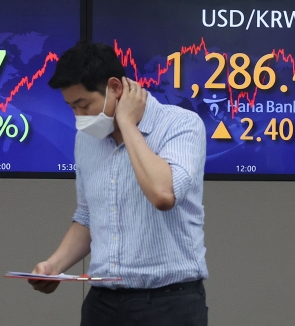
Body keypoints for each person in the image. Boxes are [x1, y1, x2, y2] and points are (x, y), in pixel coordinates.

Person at [29, 41, 209, 326]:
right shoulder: (86, 139)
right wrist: (54, 266)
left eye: (84, 105)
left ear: (115, 88)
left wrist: (127, 123)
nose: (79, 117)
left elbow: (163, 194)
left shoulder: (181, 125)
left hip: (168, 304)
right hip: (103, 302)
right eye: (71, 107)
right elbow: (88, 216)